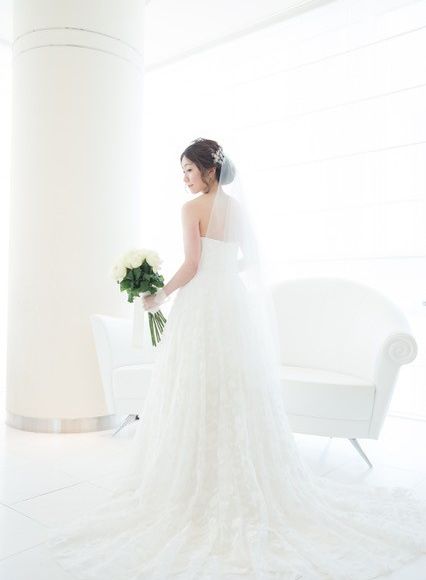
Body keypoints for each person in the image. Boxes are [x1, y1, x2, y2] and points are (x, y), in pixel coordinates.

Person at [47, 137, 426, 580]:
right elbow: (247, 260)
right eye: (182, 172)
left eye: (189, 170)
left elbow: (192, 265)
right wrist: (223, 272)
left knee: (196, 382)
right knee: (236, 386)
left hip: (202, 304)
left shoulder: (191, 209)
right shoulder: (237, 209)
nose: (185, 178)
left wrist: (160, 295)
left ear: (209, 169)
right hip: (233, 303)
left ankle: (191, 479)